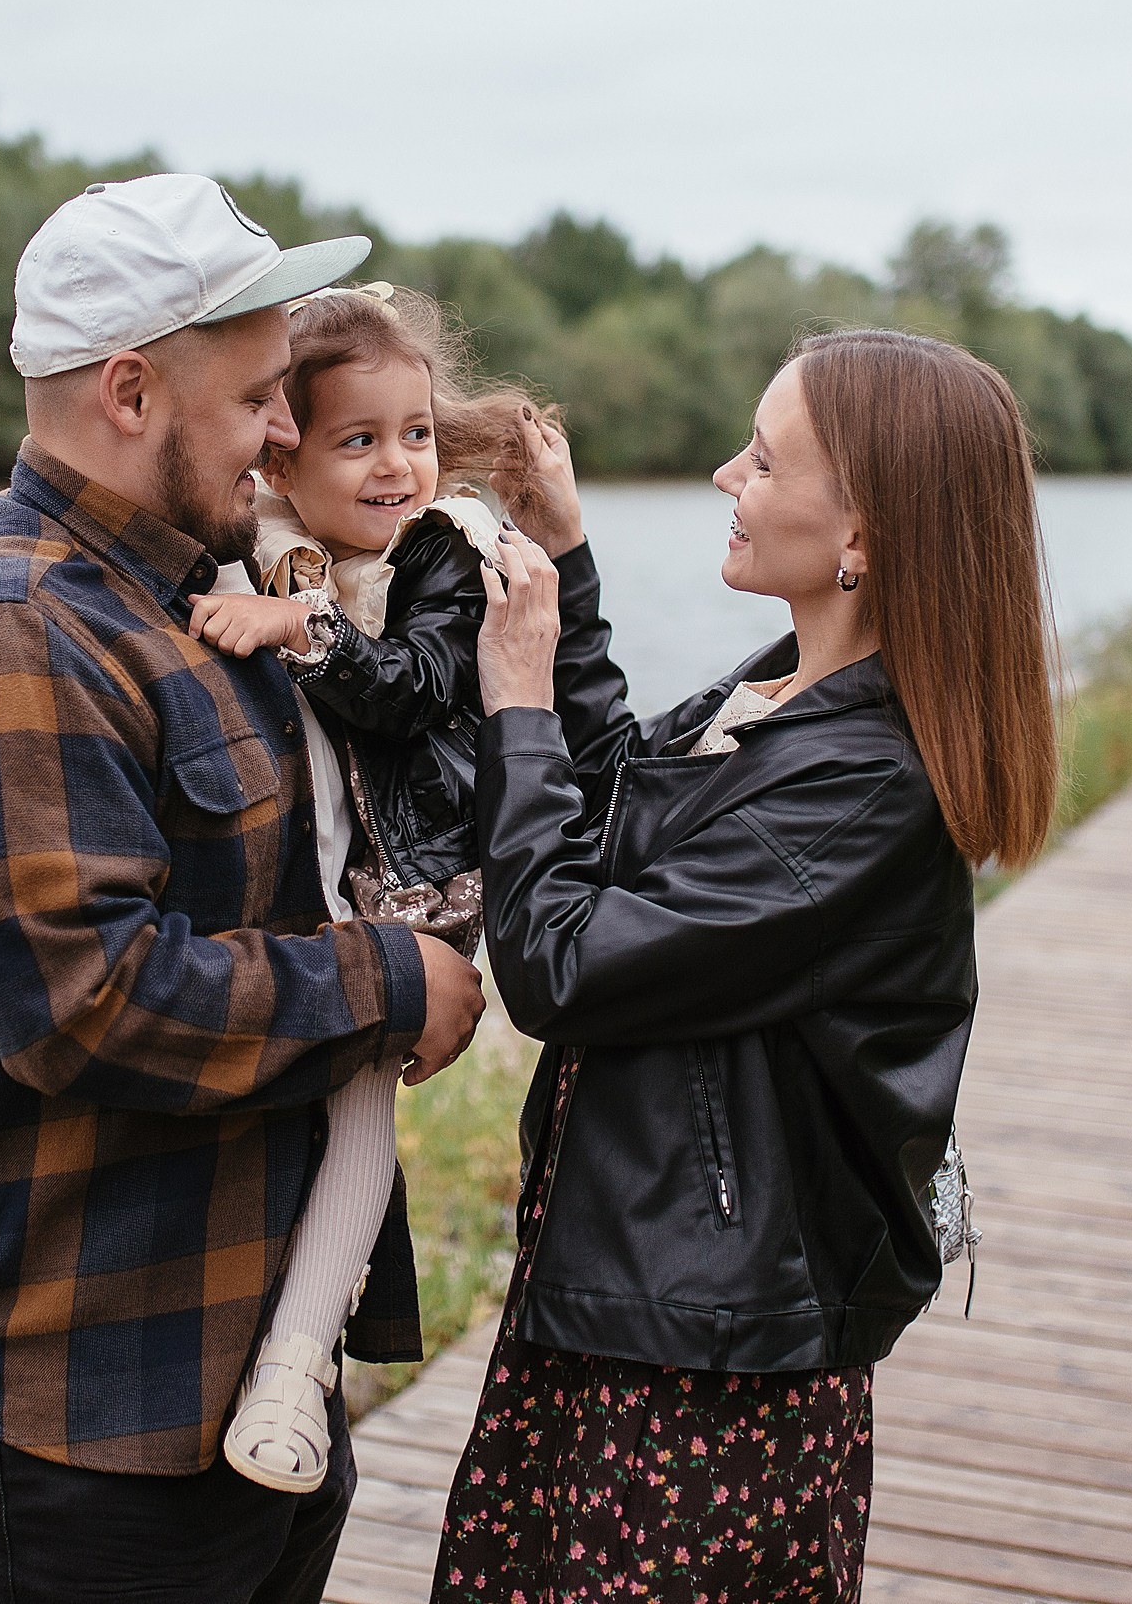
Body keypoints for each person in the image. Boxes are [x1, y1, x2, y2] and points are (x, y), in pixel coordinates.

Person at [0, 172, 488, 1604]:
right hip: (56, 1404)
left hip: (229, 1373)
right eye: (260, 394)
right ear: (130, 392)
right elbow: (85, 999)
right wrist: (389, 980)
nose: (282, 431)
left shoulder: (200, 595)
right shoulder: (9, 627)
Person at [437, 329, 1060, 1603]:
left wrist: (512, 704)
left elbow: (561, 961)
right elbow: (614, 813)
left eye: (763, 459)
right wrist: (564, 558)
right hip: (644, 1294)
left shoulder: (864, 784)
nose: (727, 473)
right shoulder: (787, 693)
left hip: (705, 1369)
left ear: (864, 537)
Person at [179, 282, 540, 1493]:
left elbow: (414, 686)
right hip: (314, 876)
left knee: (354, 1101)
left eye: (418, 433)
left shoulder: (443, 551)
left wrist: (295, 629)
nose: (398, 466)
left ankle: (296, 1359)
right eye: (360, 439)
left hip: (410, 880)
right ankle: (257, 1337)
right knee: (300, 1081)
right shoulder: (265, 537)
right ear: (290, 446)